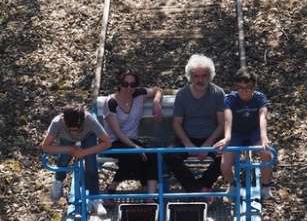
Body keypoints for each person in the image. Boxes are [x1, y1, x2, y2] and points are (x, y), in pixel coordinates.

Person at [165, 54, 225, 195]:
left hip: (211, 138)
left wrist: (207, 145)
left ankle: (203, 185)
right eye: (196, 76)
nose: (200, 80)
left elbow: (222, 124)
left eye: (204, 76)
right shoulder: (182, 95)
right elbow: (177, 123)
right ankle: (195, 189)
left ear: (210, 76)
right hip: (187, 138)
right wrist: (187, 143)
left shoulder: (218, 93)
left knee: (228, 155)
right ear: (190, 76)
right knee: (169, 154)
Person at [41, 105, 112, 214]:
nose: (74, 132)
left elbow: (107, 142)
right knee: (63, 159)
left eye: (77, 129)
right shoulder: (57, 122)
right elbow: (45, 146)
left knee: (91, 164)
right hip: (66, 139)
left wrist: (84, 152)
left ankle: (95, 198)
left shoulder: (89, 120)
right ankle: (58, 181)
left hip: (88, 136)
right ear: (64, 122)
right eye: (71, 129)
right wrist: (69, 149)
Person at [103, 69, 163, 198]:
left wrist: (156, 102)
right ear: (119, 84)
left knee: (152, 154)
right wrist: (135, 147)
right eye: (125, 84)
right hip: (113, 142)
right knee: (134, 155)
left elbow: (157, 90)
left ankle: (151, 196)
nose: (129, 88)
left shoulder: (139, 94)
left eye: (133, 84)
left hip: (132, 140)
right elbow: (118, 132)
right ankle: (111, 189)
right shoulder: (111, 102)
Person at [216, 67, 274, 199]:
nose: (244, 91)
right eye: (240, 88)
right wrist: (227, 137)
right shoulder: (230, 99)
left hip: (254, 132)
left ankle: (265, 186)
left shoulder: (259, 98)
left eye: (248, 88)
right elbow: (228, 118)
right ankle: (233, 184)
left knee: (266, 154)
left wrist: (264, 136)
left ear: (254, 87)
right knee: (225, 165)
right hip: (236, 133)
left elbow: (263, 117)